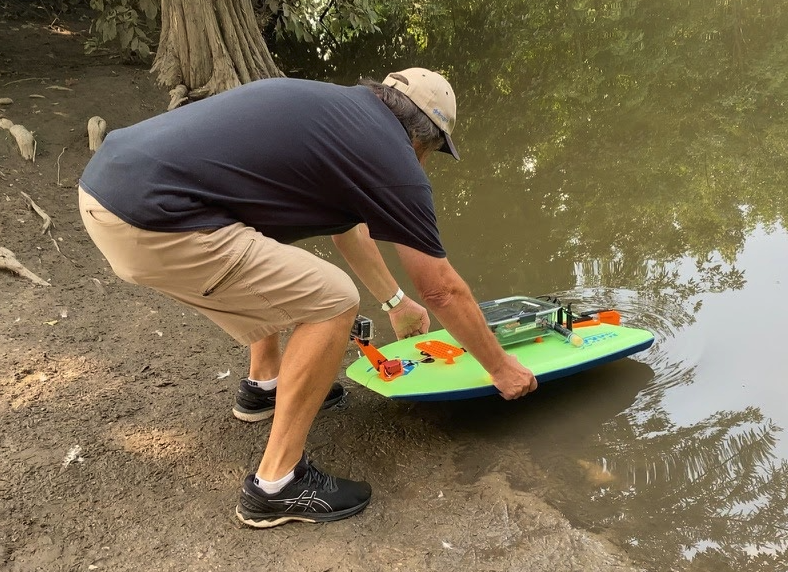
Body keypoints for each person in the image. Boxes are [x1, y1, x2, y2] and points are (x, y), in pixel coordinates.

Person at [78, 67, 538, 529]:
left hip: (107, 186)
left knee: (280, 267)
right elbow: (440, 287)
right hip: (150, 218)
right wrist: (500, 368)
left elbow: (349, 233)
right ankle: (277, 485)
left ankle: (264, 388)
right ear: (426, 138)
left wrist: (395, 302)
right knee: (333, 299)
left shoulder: (339, 119)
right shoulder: (395, 161)